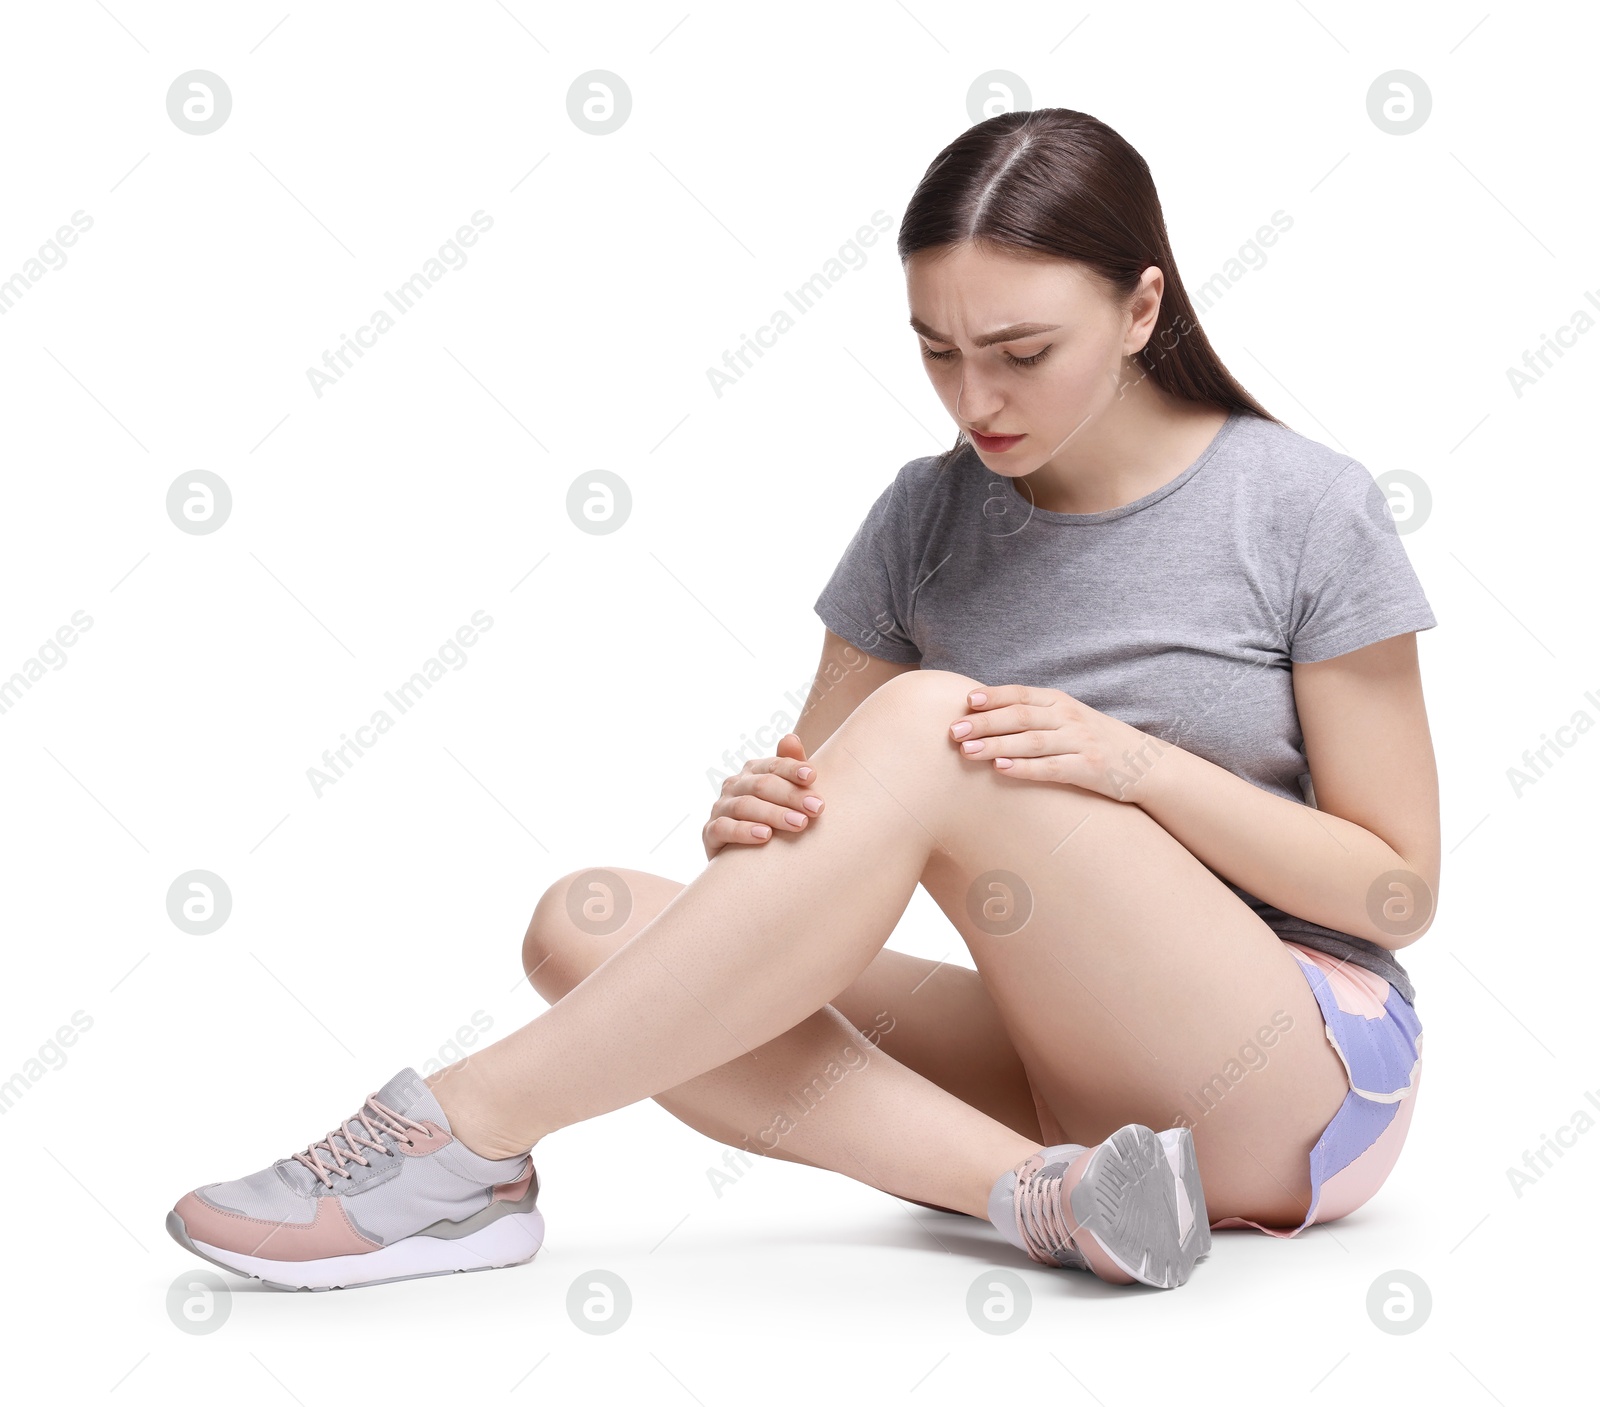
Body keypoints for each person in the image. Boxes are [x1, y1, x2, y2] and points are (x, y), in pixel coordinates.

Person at [167, 107, 1435, 1293]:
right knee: (587, 924)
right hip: (1072, 1086)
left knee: (937, 720)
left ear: (1140, 304)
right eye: (937, 352)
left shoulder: (1300, 505)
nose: (974, 399)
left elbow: (1397, 891)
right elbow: (816, 832)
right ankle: (1044, 1195)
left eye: (1020, 353)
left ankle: (457, 1141)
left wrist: (1137, 768)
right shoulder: (923, 517)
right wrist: (766, 813)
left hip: (1295, 1079)